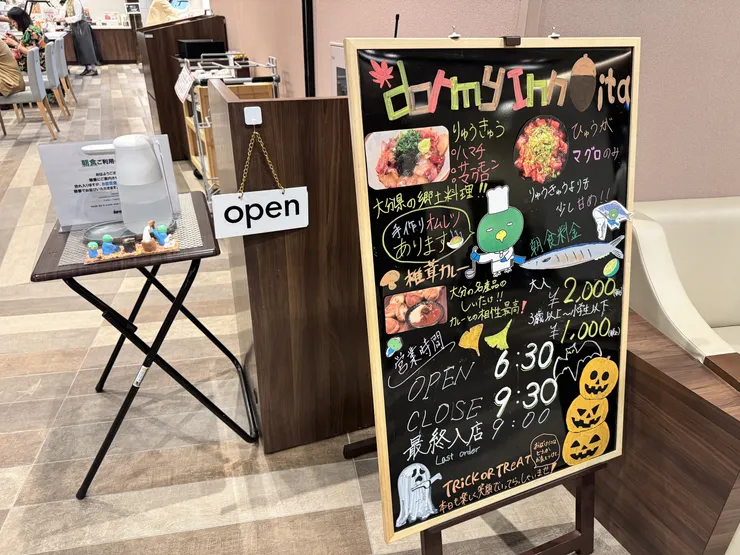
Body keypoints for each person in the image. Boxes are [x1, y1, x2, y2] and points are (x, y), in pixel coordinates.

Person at [0, 6, 46, 73]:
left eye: (14, 22)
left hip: (37, 64)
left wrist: (14, 43)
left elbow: (30, 53)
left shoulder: (30, 32)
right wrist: (15, 39)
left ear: (20, 20)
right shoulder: (31, 29)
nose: (12, 24)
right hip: (37, 61)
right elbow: (27, 46)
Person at [60, 0, 98, 76]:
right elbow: (62, 13)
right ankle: (87, 68)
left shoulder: (76, 2)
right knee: (80, 49)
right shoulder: (67, 2)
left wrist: (65, 19)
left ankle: (94, 69)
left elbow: (78, 17)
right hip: (75, 28)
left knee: (86, 48)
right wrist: (58, 18)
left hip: (82, 27)